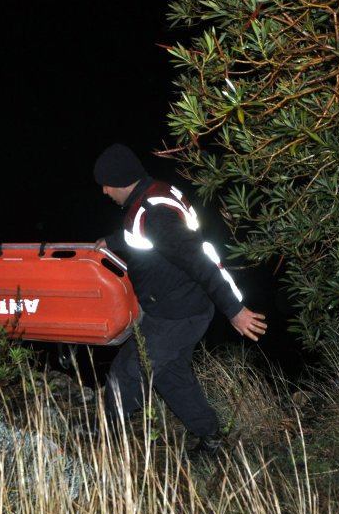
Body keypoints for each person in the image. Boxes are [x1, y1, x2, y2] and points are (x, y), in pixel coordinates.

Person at [92, 143, 267, 455]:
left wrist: (234, 309)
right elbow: (147, 238)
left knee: (128, 371)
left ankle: (101, 440)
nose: (104, 191)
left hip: (177, 314)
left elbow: (200, 259)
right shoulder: (153, 194)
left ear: (120, 180)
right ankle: (211, 436)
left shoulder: (154, 213)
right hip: (181, 307)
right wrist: (113, 240)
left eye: (106, 184)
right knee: (171, 376)